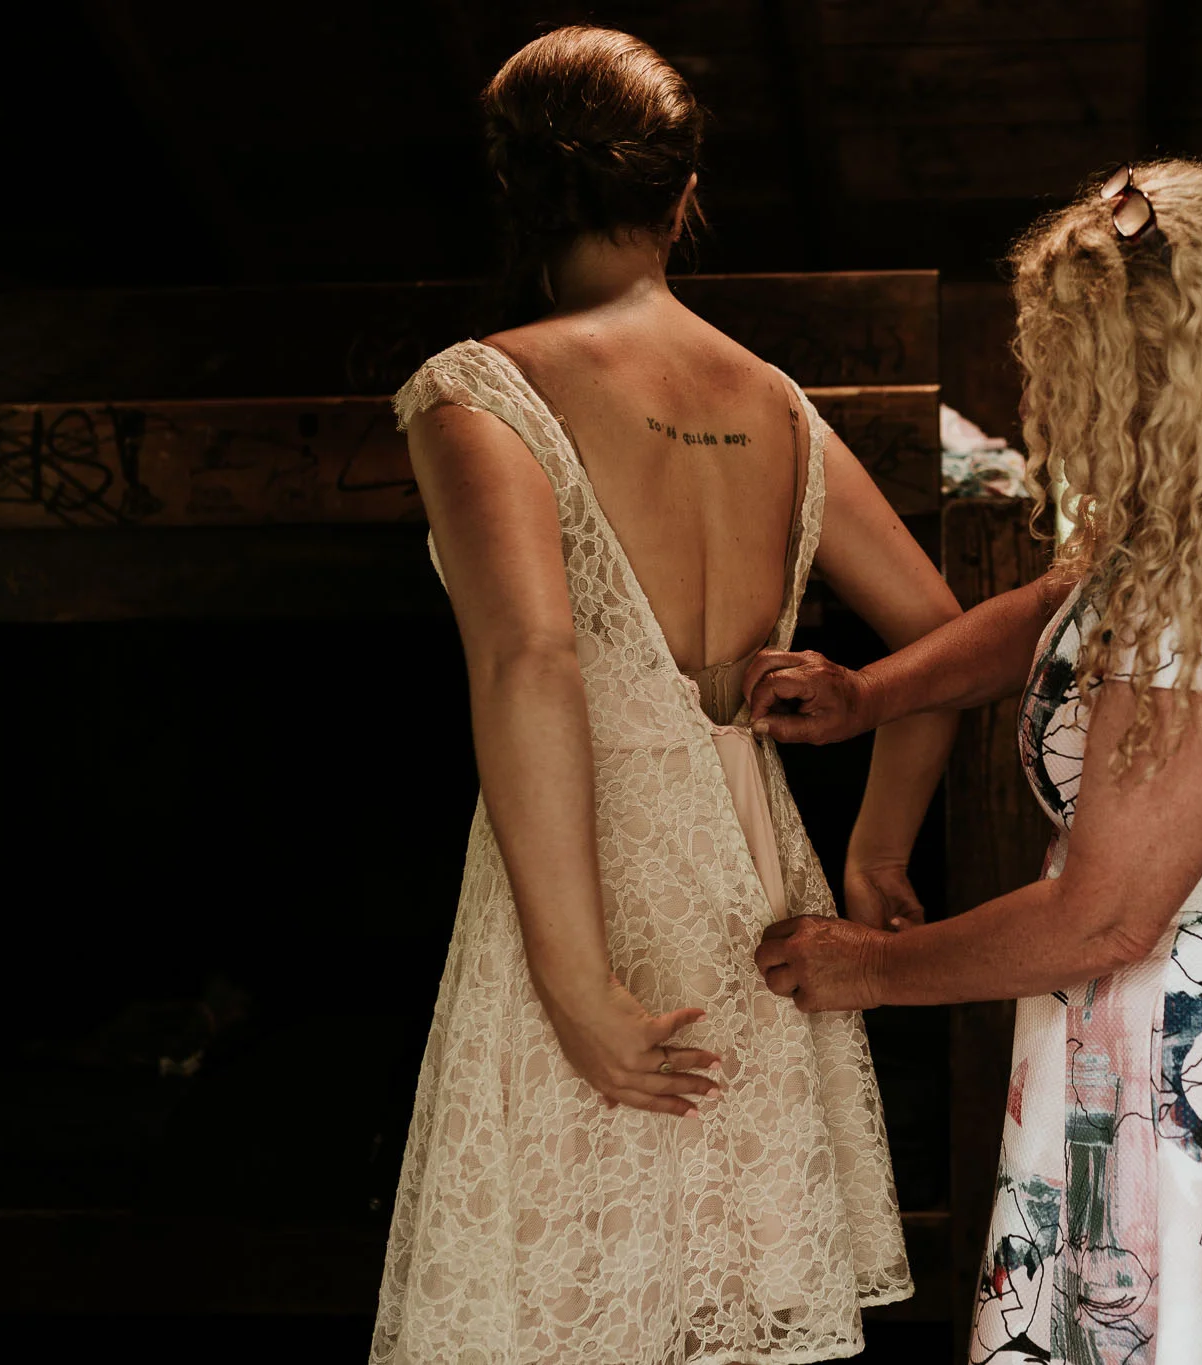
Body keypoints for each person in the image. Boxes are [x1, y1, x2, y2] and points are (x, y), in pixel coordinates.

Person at [750, 162, 1202, 1363]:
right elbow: (1051, 606)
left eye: (1072, 357)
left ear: (1167, 379)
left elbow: (1103, 919)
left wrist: (868, 970)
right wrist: (867, 694)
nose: (1047, 382)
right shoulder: (1201, 527)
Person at [371, 27, 961, 1365]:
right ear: (684, 194)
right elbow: (936, 639)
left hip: (588, 879)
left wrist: (577, 984)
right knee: (722, 1305)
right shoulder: (781, 405)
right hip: (762, 879)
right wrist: (870, 862)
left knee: (571, 1308)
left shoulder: (482, 389)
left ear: (513, 186)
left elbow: (532, 661)